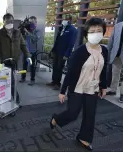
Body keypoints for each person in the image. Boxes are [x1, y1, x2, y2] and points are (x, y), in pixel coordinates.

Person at [50, 17, 108, 151]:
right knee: (73, 114)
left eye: (99, 30)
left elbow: (103, 70)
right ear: (87, 33)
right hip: (77, 87)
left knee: (90, 114)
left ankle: (84, 137)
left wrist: (103, 86)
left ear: (103, 32)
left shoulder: (104, 51)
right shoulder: (80, 51)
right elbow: (70, 73)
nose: (96, 33)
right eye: (92, 31)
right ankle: (56, 119)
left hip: (93, 88)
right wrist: (62, 91)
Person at [0, 13, 32, 103]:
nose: (10, 23)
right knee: (10, 82)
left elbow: (23, 45)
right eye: (8, 21)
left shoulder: (18, 32)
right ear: (4, 22)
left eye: (11, 21)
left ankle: (11, 100)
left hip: (15, 62)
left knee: (11, 82)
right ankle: (15, 101)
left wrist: (28, 56)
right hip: (5, 63)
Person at [46, 15, 78, 90]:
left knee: (60, 67)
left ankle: (58, 83)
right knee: (55, 66)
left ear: (70, 20)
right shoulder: (62, 28)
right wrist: (53, 50)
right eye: (64, 19)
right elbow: (57, 40)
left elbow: (71, 43)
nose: (64, 20)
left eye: (66, 19)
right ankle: (54, 81)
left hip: (63, 52)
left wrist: (67, 54)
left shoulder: (72, 30)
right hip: (57, 51)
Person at [20, 16, 41, 85]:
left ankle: (32, 80)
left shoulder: (37, 30)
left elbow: (35, 39)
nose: (31, 23)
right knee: (24, 65)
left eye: (32, 22)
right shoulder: (28, 28)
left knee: (32, 66)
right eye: (30, 22)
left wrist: (27, 32)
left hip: (32, 51)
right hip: (26, 51)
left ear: (36, 22)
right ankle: (23, 78)